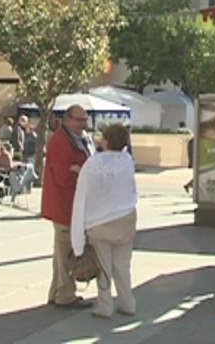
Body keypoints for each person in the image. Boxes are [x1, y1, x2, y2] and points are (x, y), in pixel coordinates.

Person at [71, 123, 138, 318]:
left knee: (104, 266)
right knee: (123, 265)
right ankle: (127, 302)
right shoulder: (127, 160)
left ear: (106, 140)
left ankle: (105, 305)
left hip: (99, 221)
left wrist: (78, 238)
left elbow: (83, 195)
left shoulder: (93, 163)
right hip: (125, 217)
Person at [41, 104, 94, 309]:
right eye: (79, 120)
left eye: (85, 120)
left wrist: (78, 169)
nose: (83, 124)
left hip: (71, 204)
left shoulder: (77, 138)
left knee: (60, 252)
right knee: (66, 253)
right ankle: (65, 295)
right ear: (68, 119)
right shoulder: (62, 141)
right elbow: (64, 176)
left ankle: (56, 291)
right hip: (65, 205)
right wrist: (80, 171)